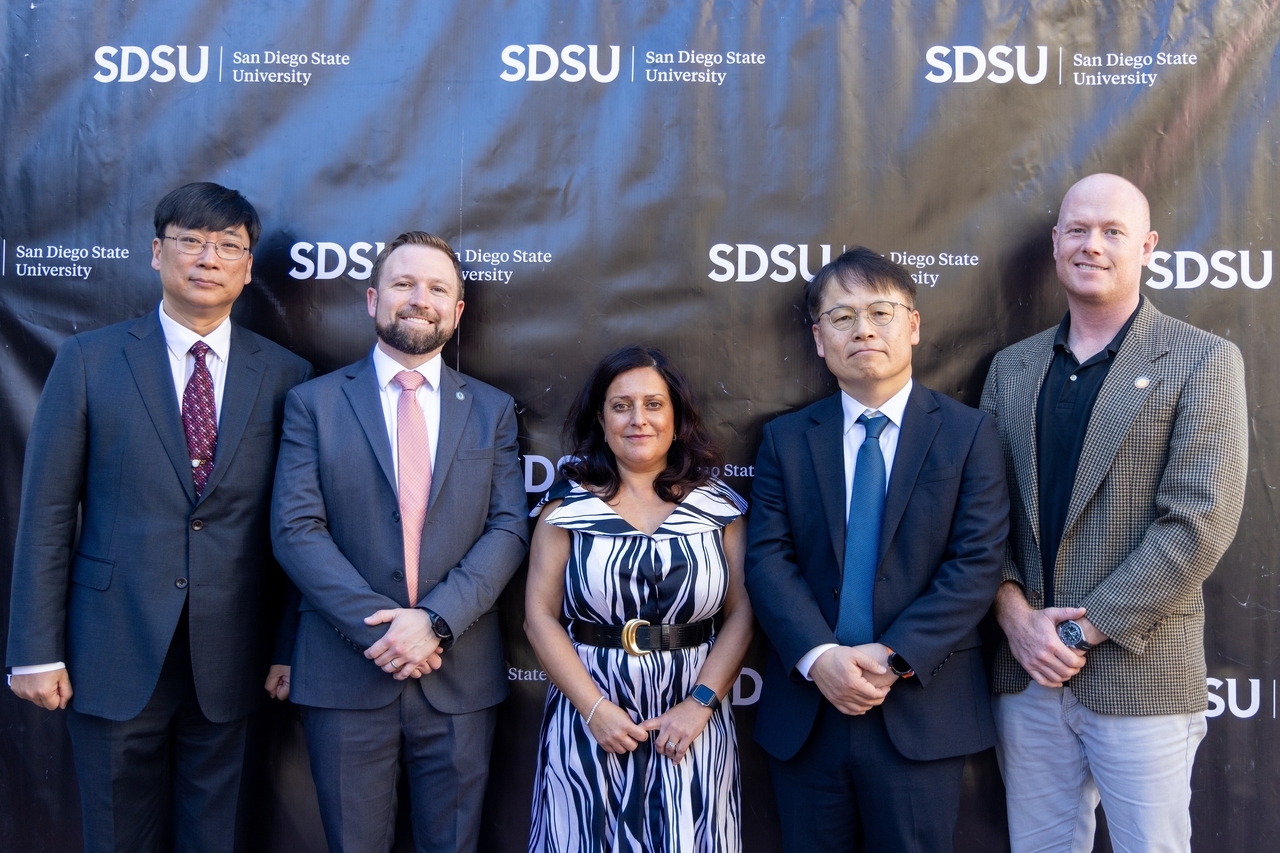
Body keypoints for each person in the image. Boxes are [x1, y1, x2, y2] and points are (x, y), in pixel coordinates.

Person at [6, 182, 312, 852]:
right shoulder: (88, 361)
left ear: (247, 267)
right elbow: (48, 514)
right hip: (109, 652)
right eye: (191, 241)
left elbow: (298, 528)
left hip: (235, 657)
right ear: (155, 252)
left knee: (218, 837)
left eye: (228, 245)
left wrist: (289, 647)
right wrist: (34, 648)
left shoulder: (287, 374)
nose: (208, 258)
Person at [980, 173, 1248, 852]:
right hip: (1027, 675)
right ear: (1054, 242)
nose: (1091, 244)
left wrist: (1080, 632)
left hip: (1141, 673)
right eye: (1077, 229)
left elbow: (1199, 523)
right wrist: (1015, 619)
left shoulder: (1204, 361)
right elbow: (980, 517)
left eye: (1112, 231)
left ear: (1148, 246)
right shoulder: (1010, 369)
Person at [270, 230, 527, 853]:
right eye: (404, 284)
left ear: (458, 310)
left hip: (458, 674)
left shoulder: (491, 410)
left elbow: (508, 528)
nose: (421, 298)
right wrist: (385, 634)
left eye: (438, 287)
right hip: (345, 670)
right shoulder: (313, 403)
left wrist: (434, 623)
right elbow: (296, 530)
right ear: (371, 299)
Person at [745, 248, 1009, 852]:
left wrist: (892, 658)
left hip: (918, 706)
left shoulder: (969, 435)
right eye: (841, 318)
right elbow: (766, 559)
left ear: (913, 325)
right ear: (818, 339)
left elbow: (976, 563)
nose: (863, 329)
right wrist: (820, 658)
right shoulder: (786, 439)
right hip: (810, 712)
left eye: (880, 312)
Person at [525, 345, 754, 853]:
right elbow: (539, 617)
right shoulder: (565, 506)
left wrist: (698, 707)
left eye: (653, 404)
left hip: (692, 718)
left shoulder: (720, 509)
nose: (638, 419)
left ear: (677, 417)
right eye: (620, 405)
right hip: (588, 716)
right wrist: (594, 709)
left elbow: (741, 616)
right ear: (601, 420)